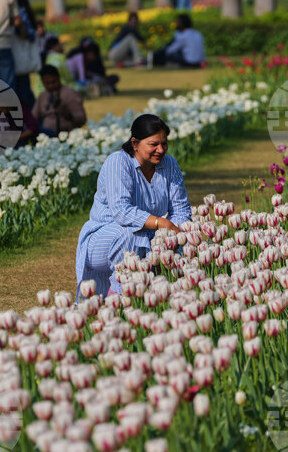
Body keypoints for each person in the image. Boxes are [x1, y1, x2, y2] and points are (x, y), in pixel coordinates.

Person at [76, 114, 191, 298]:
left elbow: (181, 210)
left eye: (164, 143)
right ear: (135, 144)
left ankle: (174, 295)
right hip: (104, 237)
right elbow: (122, 211)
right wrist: (162, 224)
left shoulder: (170, 165)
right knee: (130, 235)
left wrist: (175, 235)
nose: (161, 150)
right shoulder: (118, 162)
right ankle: (119, 299)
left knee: (190, 238)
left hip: (149, 234)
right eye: (154, 144)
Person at [1, 0, 40, 109]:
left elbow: (28, 35)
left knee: (22, 97)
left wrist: (19, 26)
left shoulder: (19, 11)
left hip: (15, 60)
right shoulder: (22, 9)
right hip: (17, 62)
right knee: (22, 95)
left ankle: (33, 120)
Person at [33, 65, 87, 137]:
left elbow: (82, 119)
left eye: (54, 82)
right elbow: (33, 118)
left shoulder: (70, 94)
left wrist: (68, 115)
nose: (51, 86)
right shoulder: (42, 96)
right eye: (47, 83)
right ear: (43, 83)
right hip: (47, 136)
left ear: (59, 78)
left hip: (68, 135)